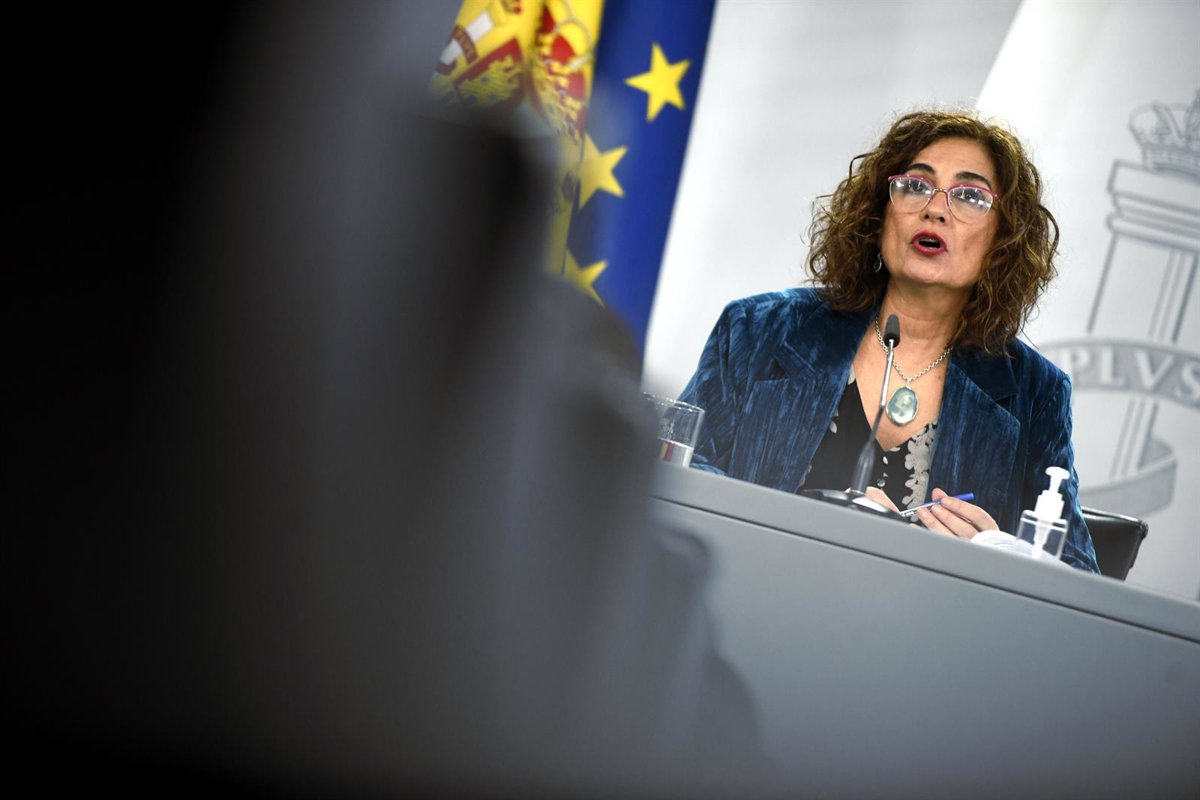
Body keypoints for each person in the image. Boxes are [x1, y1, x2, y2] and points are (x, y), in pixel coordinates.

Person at [678, 110, 1100, 572]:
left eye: (970, 196)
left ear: (1003, 236)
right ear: (880, 213)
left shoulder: (1035, 392)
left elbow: (1078, 577)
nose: (934, 208)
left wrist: (997, 555)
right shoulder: (760, 329)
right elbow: (676, 471)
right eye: (915, 186)